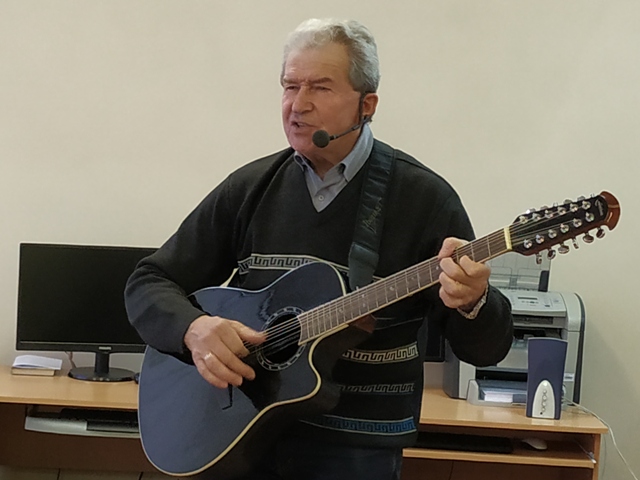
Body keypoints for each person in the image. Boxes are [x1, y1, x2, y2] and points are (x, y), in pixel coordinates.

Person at [125, 18, 514, 480]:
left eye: (321, 88)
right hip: (237, 430)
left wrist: (473, 301)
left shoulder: (424, 199)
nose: (298, 104)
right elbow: (149, 282)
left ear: (367, 106)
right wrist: (193, 329)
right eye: (290, 86)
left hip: (356, 446)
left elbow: (485, 350)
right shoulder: (251, 188)